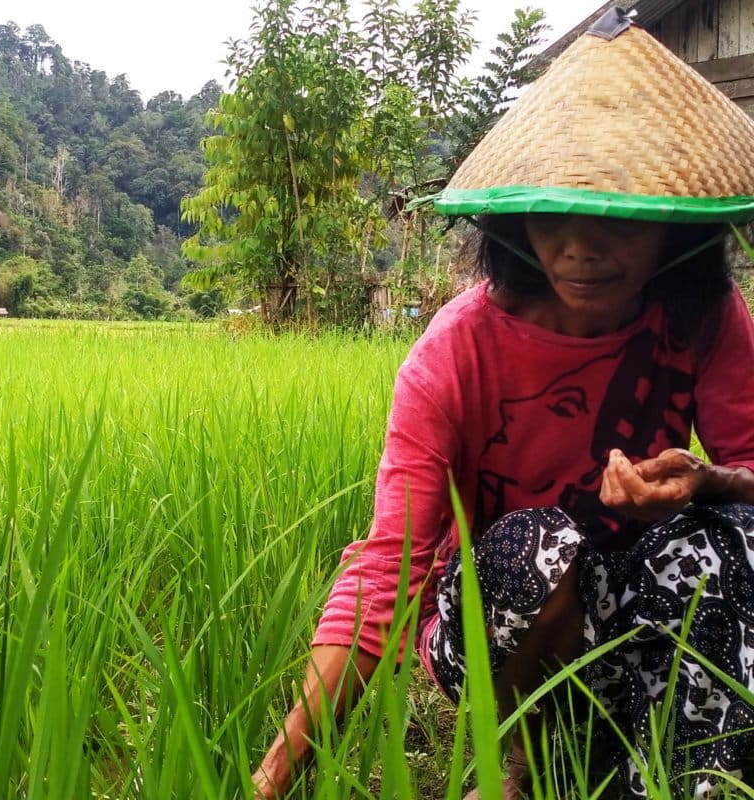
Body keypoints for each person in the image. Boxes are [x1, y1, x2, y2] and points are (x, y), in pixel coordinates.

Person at [252, 8, 754, 799]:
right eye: (553, 216)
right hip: (499, 622)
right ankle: (523, 756)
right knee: (538, 545)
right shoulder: (456, 351)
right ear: (515, 221)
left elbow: (751, 473)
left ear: (669, 228)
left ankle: (682, 770)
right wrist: (277, 772)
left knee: (732, 539)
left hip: (635, 606)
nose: (580, 248)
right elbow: (392, 565)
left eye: (617, 220)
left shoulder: (705, 316)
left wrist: (707, 482)